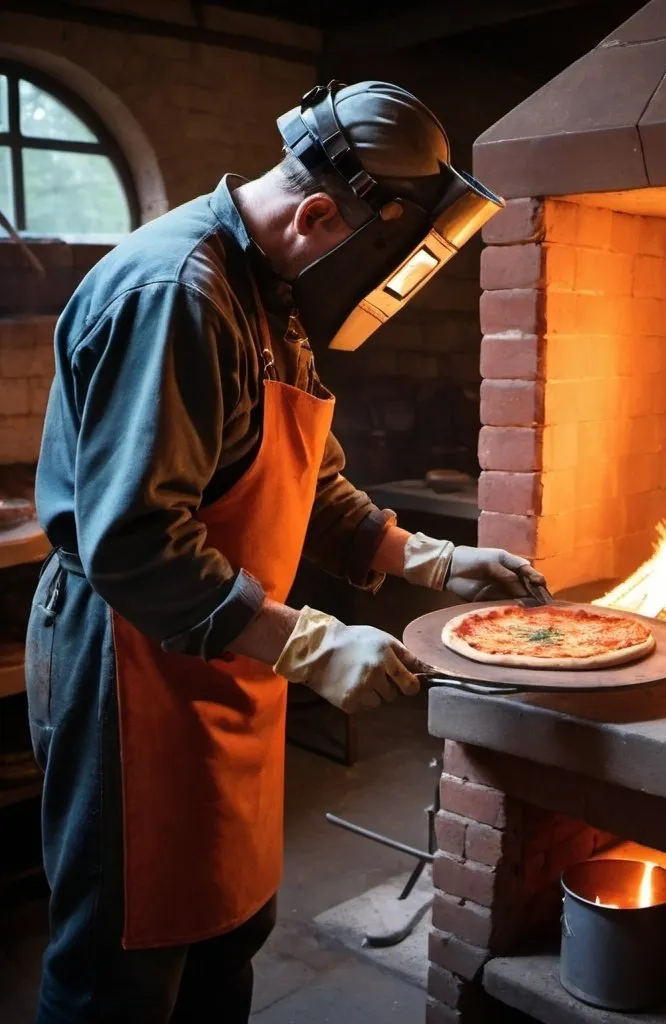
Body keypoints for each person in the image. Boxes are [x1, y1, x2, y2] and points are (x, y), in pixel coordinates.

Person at [25, 80, 544, 1023]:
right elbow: (132, 539)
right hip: (129, 661)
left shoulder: (267, 293)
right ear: (314, 211)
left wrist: (421, 556)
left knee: (225, 935)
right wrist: (306, 644)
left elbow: (304, 477)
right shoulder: (178, 294)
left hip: (225, 658)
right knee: (126, 968)